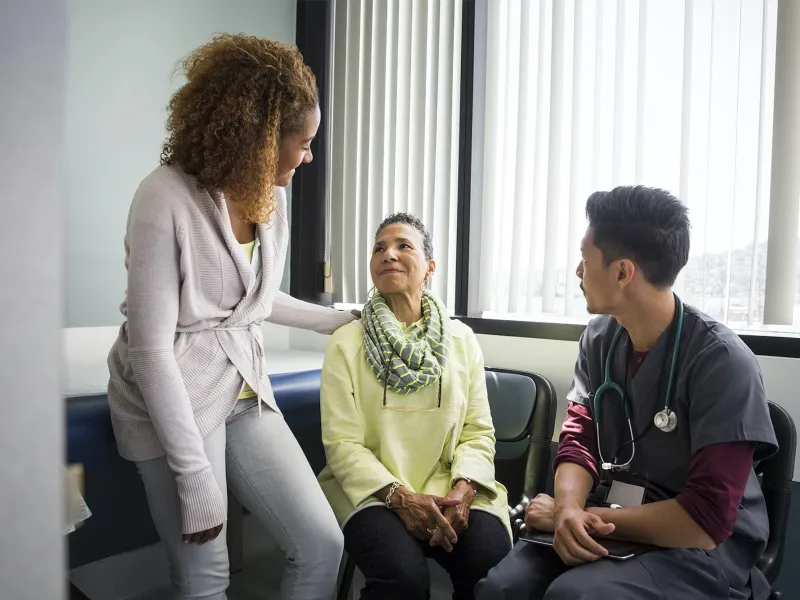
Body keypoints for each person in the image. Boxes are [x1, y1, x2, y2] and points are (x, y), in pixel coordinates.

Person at [106, 34, 358, 600]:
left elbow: (254, 304)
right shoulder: (164, 197)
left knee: (322, 544)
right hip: (169, 395)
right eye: (304, 141)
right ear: (262, 138)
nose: (309, 156)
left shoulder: (269, 198)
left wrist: (344, 321)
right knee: (206, 576)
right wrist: (194, 475)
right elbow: (151, 350)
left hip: (242, 389)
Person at [476, 186, 778, 600]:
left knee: (575, 595)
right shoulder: (600, 338)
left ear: (622, 272)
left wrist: (578, 514)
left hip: (695, 543)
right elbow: (579, 438)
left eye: (585, 259)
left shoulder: (723, 362)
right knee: (501, 588)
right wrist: (567, 510)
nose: (578, 272)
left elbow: (705, 520)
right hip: (606, 517)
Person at [317, 213, 512, 600]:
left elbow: (477, 430)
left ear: (430, 268)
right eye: (379, 248)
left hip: (451, 486)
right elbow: (342, 443)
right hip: (373, 491)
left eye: (403, 246)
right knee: (403, 581)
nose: (389, 254)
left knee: (492, 570)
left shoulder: (462, 339)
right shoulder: (345, 342)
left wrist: (464, 488)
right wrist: (399, 496)